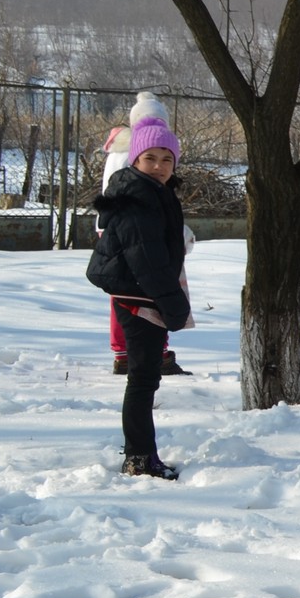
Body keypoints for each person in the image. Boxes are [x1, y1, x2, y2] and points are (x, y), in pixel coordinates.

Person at [85, 119, 194, 479]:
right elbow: (146, 258)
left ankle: (141, 453)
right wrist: (173, 304)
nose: (160, 166)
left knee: (145, 377)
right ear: (135, 159)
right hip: (138, 295)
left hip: (141, 291)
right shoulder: (138, 196)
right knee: (143, 379)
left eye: (167, 159)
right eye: (151, 157)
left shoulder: (152, 190)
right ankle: (139, 458)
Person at [99, 92, 187, 377]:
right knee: (138, 291)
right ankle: (145, 353)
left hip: (115, 226)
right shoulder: (137, 149)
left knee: (124, 292)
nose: (158, 165)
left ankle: (125, 351)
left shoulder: (130, 147)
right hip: (129, 228)